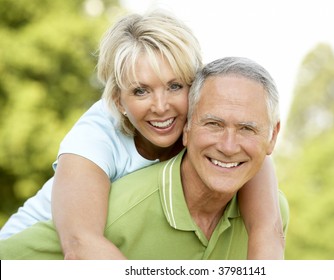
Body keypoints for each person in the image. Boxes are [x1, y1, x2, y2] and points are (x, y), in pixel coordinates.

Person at [0, 11, 284, 259]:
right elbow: (79, 246)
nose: (161, 107)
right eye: (140, 91)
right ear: (118, 100)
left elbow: (267, 226)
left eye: (175, 86)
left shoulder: (212, 133)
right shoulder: (93, 139)